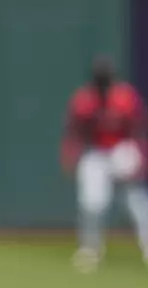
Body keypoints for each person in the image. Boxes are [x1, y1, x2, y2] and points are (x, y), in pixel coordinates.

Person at [61, 55, 148, 272]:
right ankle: (90, 249)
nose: (103, 83)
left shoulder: (125, 97)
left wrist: (139, 157)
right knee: (92, 203)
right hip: (96, 153)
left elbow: (138, 129)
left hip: (121, 148)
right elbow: (74, 130)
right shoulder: (84, 99)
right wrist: (71, 154)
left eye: (106, 79)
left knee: (135, 200)